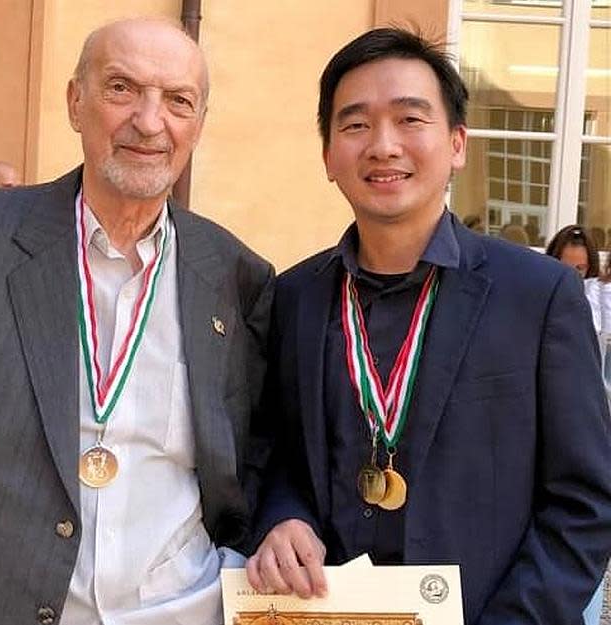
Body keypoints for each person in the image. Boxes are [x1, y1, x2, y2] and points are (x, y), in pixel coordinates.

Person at [0, 18, 274, 625]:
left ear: (199, 124)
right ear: (75, 101)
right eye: (122, 88)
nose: (150, 121)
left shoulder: (237, 275)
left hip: (183, 609)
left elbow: (253, 456)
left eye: (178, 101)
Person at [245, 28, 611, 625]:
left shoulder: (538, 295)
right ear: (329, 155)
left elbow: (584, 502)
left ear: (458, 143)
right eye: (356, 124)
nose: (383, 146)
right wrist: (283, 517)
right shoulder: (294, 297)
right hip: (326, 614)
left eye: (411, 119)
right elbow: (277, 453)